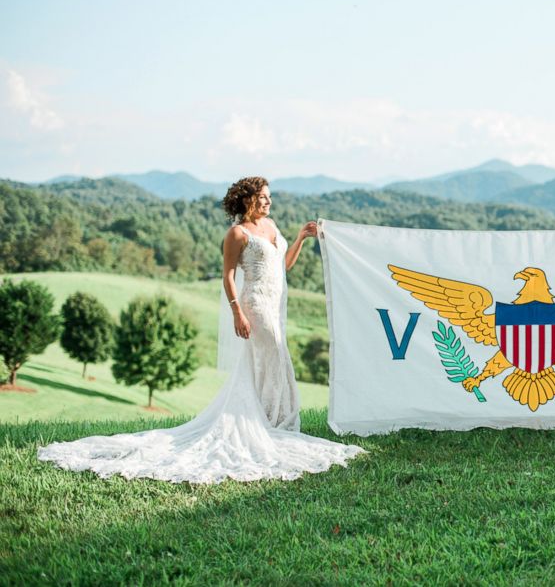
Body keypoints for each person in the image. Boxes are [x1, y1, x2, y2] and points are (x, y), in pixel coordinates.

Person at [37, 176, 365, 482]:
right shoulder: (237, 234)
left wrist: (300, 239)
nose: (268, 202)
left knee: (272, 361)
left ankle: (271, 422)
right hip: (256, 304)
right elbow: (227, 276)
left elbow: (283, 266)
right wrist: (238, 312)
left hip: (276, 302)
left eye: (269, 197)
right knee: (276, 358)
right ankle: (273, 424)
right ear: (249, 200)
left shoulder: (271, 225)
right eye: (263, 198)